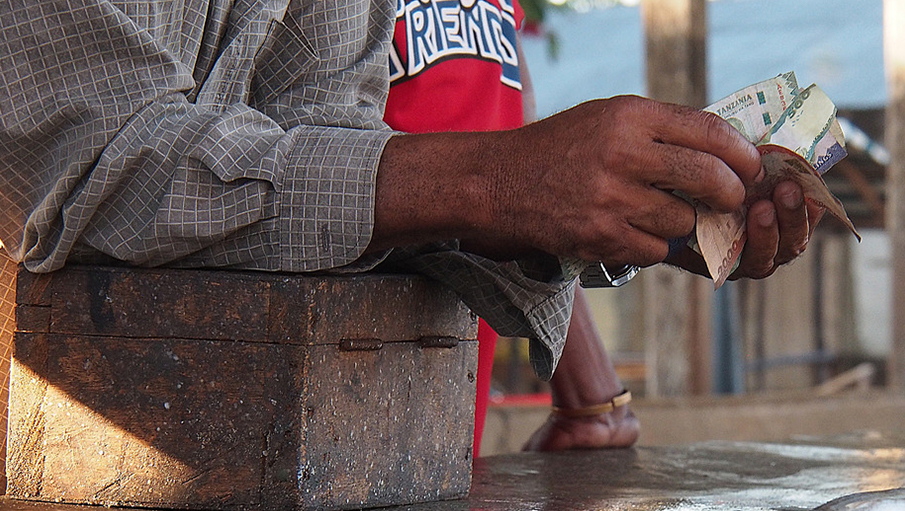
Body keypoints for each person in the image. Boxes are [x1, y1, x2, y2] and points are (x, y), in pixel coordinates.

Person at [0, 0, 820, 393]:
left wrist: (627, 220)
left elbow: (327, 168)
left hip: (293, 471)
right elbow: (102, 170)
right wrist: (502, 181)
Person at [382, 0, 638, 455]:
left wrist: (588, 387)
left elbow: (523, 169)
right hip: (354, 323)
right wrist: (590, 392)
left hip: (449, 337)